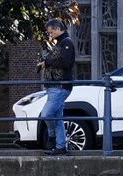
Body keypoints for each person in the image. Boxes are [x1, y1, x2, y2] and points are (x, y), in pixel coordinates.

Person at [36, 18, 77, 156]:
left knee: (46, 114)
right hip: (54, 86)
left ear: (58, 29)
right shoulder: (59, 44)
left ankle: (52, 136)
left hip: (60, 86)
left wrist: (47, 61)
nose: (50, 34)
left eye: (51, 31)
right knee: (58, 119)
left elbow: (65, 62)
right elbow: (57, 60)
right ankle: (61, 147)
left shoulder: (67, 43)